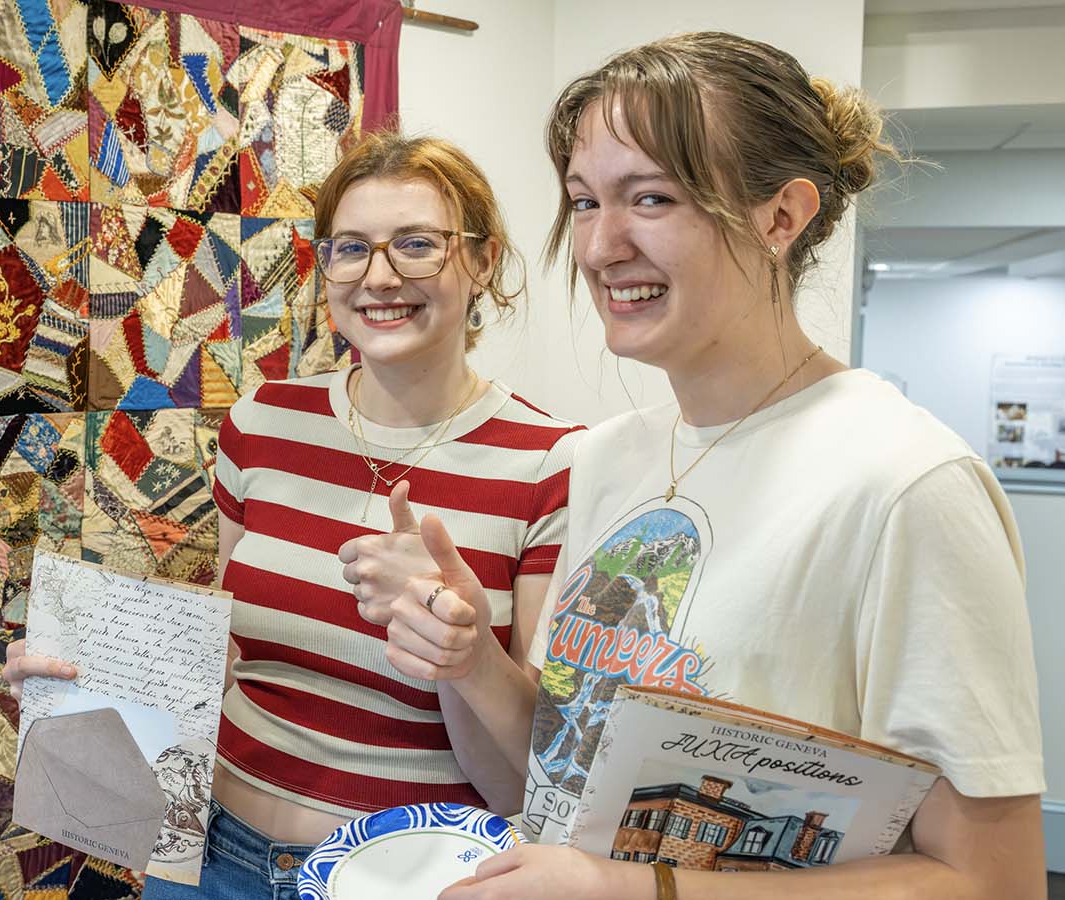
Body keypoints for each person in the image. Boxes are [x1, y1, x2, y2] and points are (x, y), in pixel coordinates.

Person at [351, 32, 1046, 900]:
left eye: (651, 198)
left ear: (781, 218)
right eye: (584, 202)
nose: (599, 247)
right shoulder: (606, 456)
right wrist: (470, 659)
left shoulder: (908, 484)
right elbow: (557, 785)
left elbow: (993, 880)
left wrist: (634, 889)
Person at [2, 131, 586, 899]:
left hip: (405, 880)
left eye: (417, 244)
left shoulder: (555, 463)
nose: (380, 276)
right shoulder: (264, 420)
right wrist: (84, 688)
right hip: (210, 857)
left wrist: (463, 649)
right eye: (352, 249)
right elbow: (231, 658)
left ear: (481, 261)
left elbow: (531, 777)